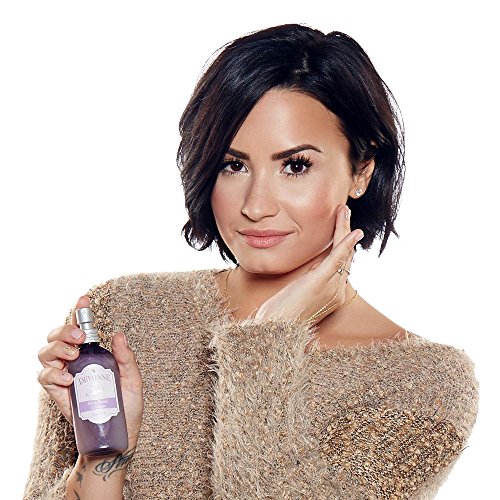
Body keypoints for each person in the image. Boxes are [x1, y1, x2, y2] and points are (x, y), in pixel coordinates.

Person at [24, 24, 479, 499]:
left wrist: (267, 339)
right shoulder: (123, 316)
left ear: (361, 171)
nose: (256, 205)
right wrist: (103, 459)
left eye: (295, 166)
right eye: (233, 165)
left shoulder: (422, 381)